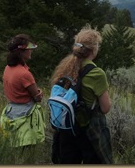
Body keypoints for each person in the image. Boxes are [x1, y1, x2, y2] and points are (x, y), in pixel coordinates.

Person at [50, 25, 113, 164]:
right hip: (88, 132)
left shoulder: (65, 67)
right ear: (94, 49)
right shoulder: (97, 73)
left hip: (66, 130)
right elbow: (105, 108)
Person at [0, 34, 45, 150]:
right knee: (27, 149)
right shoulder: (24, 74)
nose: (31, 51)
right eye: (29, 49)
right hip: (26, 117)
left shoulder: (7, 68)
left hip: (12, 111)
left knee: (15, 148)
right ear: (21, 52)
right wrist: (40, 92)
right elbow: (37, 98)